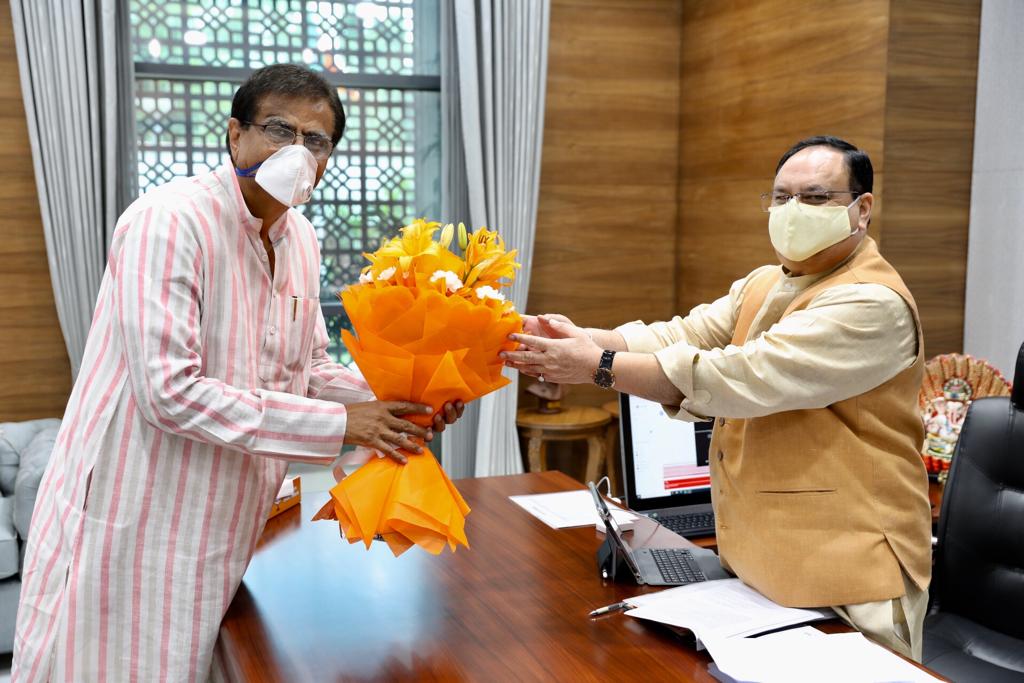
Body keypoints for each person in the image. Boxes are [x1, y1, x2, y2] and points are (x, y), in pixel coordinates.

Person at [13, 64, 463, 681]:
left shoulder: (299, 238)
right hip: (135, 512)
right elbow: (170, 393)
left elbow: (306, 366)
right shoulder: (168, 221)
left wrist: (399, 403)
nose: (297, 152)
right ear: (234, 135)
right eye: (280, 129)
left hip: (226, 516)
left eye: (317, 140)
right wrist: (344, 424)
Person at [503, 136, 932, 661]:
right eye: (781, 197)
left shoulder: (872, 303)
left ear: (861, 209)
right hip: (763, 566)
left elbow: (741, 376)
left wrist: (595, 366)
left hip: (852, 575)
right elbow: (681, 336)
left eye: (816, 198)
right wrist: (576, 339)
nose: (793, 212)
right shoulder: (765, 283)